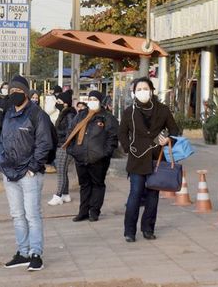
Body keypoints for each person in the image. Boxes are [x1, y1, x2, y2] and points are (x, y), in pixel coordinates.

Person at [0, 75, 54, 271]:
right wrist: (2, 163)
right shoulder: (8, 113)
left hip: (29, 174)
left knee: (32, 215)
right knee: (17, 215)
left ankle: (36, 254)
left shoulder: (37, 114)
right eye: (11, 91)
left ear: (27, 92)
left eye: (19, 91)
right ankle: (22, 252)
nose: (15, 94)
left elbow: (44, 143)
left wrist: (32, 167)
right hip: (9, 172)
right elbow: (3, 140)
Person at [118, 77, 180, 243]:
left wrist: (168, 140)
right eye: (139, 89)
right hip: (137, 159)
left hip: (156, 159)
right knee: (135, 194)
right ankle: (129, 231)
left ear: (151, 90)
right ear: (134, 93)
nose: (142, 92)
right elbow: (122, 133)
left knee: (153, 196)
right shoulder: (129, 111)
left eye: (145, 88)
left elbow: (174, 130)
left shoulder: (163, 110)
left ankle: (148, 229)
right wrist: (127, 147)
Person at [63, 90, 119, 222]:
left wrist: (105, 153)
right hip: (81, 156)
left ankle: (94, 211)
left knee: (97, 184)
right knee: (84, 185)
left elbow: (113, 138)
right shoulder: (81, 115)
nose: (92, 101)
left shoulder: (107, 117)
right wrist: (73, 150)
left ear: (100, 101)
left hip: (99, 158)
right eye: (90, 99)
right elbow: (71, 131)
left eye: (95, 99)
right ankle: (83, 211)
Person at [47, 90, 76, 206]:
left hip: (64, 146)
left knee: (60, 171)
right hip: (61, 145)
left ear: (65, 103)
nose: (56, 103)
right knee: (62, 171)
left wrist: (60, 138)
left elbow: (70, 132)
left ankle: (58, 195)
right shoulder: (63, 113)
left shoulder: (69, 115)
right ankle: (65, 194)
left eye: (58, 101)